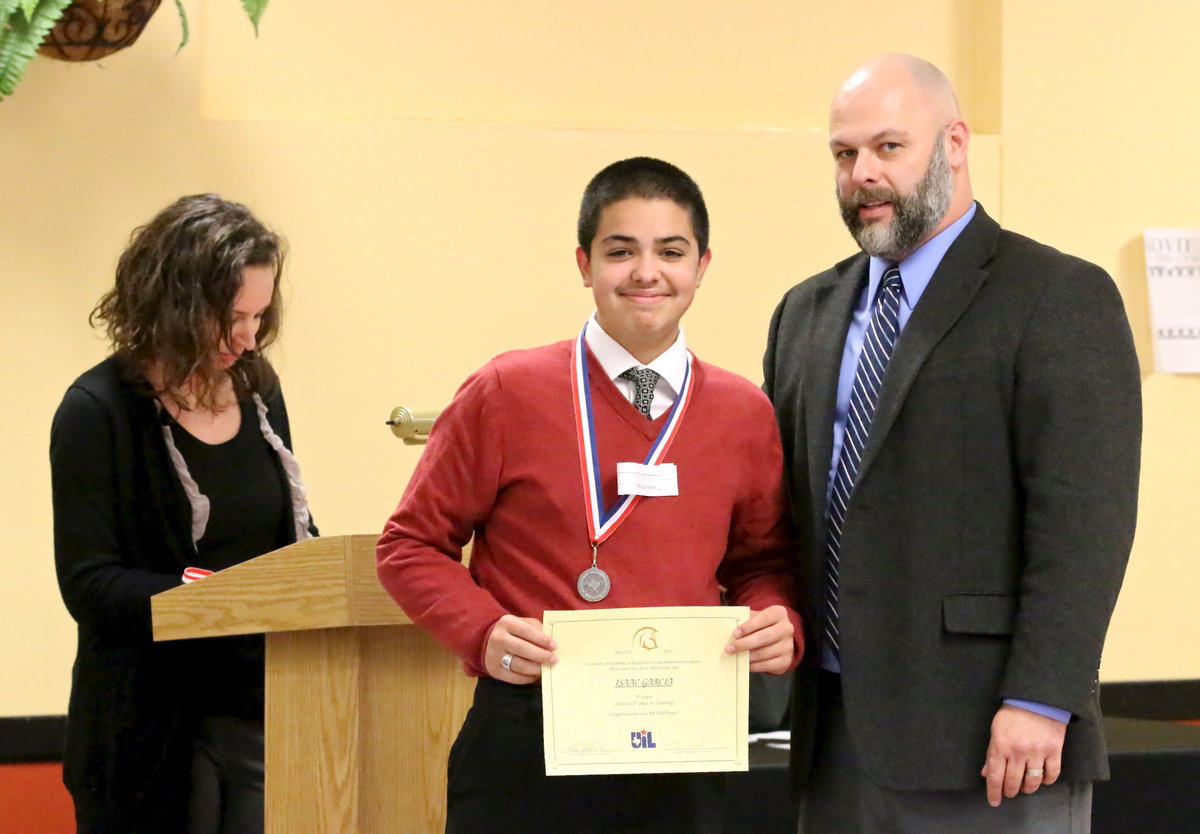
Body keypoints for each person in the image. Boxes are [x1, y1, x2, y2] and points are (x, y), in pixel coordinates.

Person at [763, 54, 1141, 833]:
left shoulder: (1055, 296)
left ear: (956, 144)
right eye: (844, 153)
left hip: (994, 739)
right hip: (832, 736)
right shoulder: (804, 312)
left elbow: (1086, 521)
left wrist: (1041, 696)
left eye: (888, 147)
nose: (862, 173)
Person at [377, 156, 804, 834]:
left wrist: (776, 615)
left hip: (687, 745)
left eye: (670, 251)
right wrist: (481, 632)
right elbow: (408, 546)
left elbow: (762, 562)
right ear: (584, 263)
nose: (645, 272)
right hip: (528, 736)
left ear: (701, 265)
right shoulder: (506, 392)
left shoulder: (742, 412)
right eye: (620, 251)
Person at [50, 194, 316, 834]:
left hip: (260, 715)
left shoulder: (259, 391)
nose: (249, 338)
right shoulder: (96, 409)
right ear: (173, 307)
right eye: (231, 317)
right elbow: (90, 586)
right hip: (146, 733)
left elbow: (290, 540)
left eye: (259, 315)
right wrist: (212, 599)